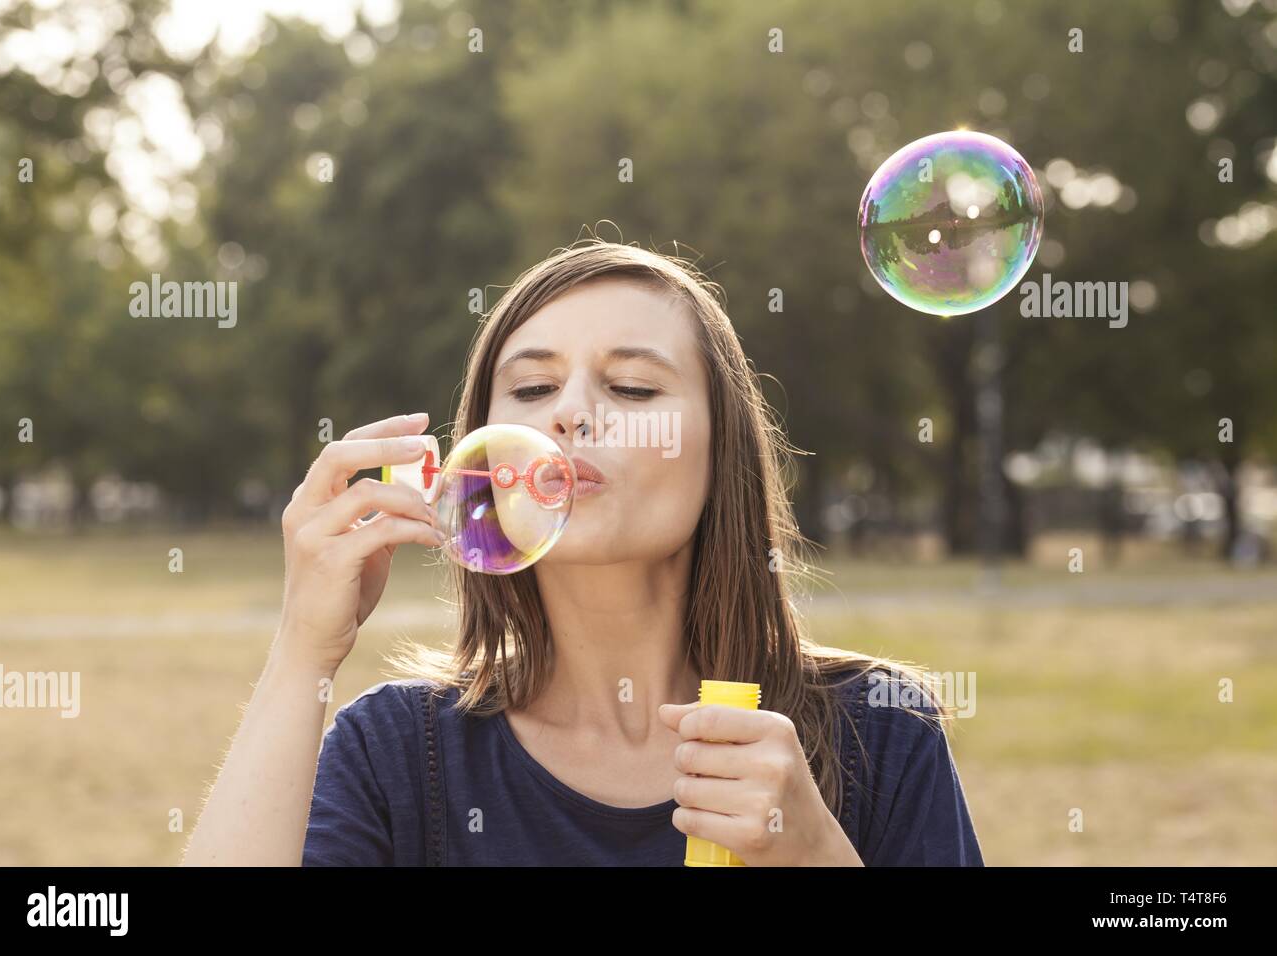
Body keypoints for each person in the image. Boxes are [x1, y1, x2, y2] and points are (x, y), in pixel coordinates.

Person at [181, 238, 984, 866]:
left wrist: (814, 857)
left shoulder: (880, 730)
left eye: (632, 388)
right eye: (531, 390)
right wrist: (303, 651)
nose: (570, 414)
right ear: (487, 466)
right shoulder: (399, 754)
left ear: (722, 449)